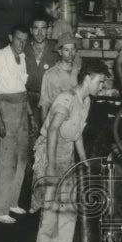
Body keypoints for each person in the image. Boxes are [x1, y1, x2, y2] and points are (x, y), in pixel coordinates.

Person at [35, 58, 111, 242]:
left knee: (68, 204)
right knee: (51, 205)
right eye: (100, 82)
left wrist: (84, 160)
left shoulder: (85, 101)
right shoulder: (66, 99)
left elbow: (76, 132)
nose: (102, 87)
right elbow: (52, 130)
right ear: (88, 79)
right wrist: (50, 165)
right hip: (51, 150)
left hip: (67, 151)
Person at [0, 24, 34, 224]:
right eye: (18, 39)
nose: (21, 44)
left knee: (22, 159)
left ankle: (12, 202)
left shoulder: (22, 57)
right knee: (6, 161)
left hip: (22, 109)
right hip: (6, 109)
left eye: (24, 40)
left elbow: (22, 89)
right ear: (10, 37)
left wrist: (30, 115)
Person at [32, 33, 82, 211]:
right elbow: (44, 103)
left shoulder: (79, 70)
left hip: (74, 128)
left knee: (71, 169)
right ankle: (46, 207)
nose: (70, 53)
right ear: (60, 52)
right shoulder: (50, 75)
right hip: (56, 127)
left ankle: (65, 205)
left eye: (72, 49)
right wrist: (44, 132)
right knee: (52, 167)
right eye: (66, 50)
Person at [24, 17, 54, 127]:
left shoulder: (56, 49)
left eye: (43, 28)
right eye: (36, 28)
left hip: (49, 98)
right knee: (29, 133)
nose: (40, 33)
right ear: (31, 30)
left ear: (48, 30)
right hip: (27, 99)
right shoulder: (24, 48)